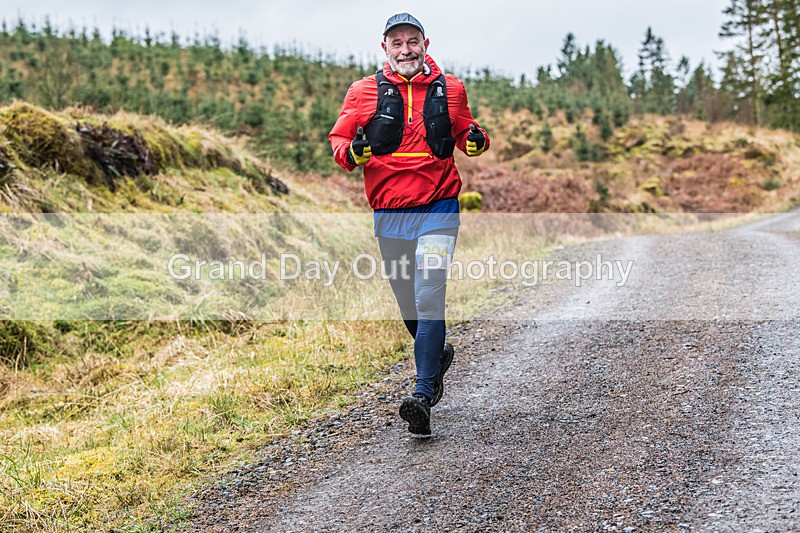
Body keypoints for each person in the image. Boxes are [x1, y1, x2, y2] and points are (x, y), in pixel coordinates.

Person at [329, 12, 490, 436]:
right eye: (397, 43)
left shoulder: (450, 88)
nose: (406, 50)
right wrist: (352, 154)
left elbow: (465, 131)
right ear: (385, 48)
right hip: (390, 212)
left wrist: (475, 140)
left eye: (412, 41)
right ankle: (436, 354)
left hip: (438, 207)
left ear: (425, 44)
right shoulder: (362, 91)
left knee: (428, 290)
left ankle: (422, 393)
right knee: (407, 302)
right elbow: (340, 140)